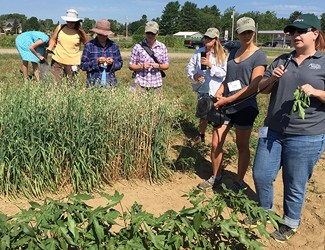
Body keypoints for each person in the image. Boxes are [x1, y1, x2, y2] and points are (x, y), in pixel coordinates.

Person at [252, 13, 325, 242]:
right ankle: (264, 211)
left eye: (300, 31)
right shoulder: (281, 60)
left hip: (306, 135)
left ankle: (290, 223)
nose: (295, 36)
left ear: (315, 33)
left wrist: (316, 92)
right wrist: (271, 79)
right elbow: (262, 90)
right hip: (272, 130)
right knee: (261, 175)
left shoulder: (323, 62)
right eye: (292, 32)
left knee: (294, 182)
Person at [198, 17, 267, 192]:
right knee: (215, 143)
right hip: (226, 105)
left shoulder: (259, 55)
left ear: (254, 32)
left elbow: (254, 86)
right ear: (237, 33)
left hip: (245, 106)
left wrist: (228, 99)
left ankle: (238, 182)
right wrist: (218, 94)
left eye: (250, 32)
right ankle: (216, 177)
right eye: (243, 32)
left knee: (242, 146)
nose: (247, 35)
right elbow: (227, 80)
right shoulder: (234, 51)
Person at [186, 28, 227, 142]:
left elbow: (223, 73)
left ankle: (216, 138)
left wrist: (210, 65)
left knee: (215, 114)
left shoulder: (221, 53)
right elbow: (189, 67)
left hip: (216, 89)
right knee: (202, 113)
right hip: (203, 88)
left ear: (216, 40)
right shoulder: (199, 52)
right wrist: (195, 76)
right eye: (206, 37)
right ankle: (201, 137)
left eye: (210, 38)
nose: (207, 40)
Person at [47, 9, 88, 83]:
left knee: (72, 87)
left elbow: (87, 45)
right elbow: (53, 39)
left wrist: (86, 58)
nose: (70, 23)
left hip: (73, 63)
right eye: (68, 21)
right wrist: (50, 47)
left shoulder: (80, 32)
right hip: (57, 61)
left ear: (77, 21)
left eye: (72, 22)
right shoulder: (60, 27)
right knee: (54, 85)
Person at [128, 21, 169, 94]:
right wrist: (141, 67)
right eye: (148, 33)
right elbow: (131, 66)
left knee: (156, 105)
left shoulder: (162, 47)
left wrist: (159, 66)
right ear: (145, 33)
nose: (150, 35)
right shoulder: (137, 47)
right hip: (140, 83)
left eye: (152, 33)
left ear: (157, 34)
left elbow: (166, 65)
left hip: (157, 84)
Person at [80, 19, 123, 88]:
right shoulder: (89, 45)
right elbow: (82, 65)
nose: (103, 36)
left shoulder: (114, 46)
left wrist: (112, 63)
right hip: (93, 84)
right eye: (100, 34)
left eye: (105, 34)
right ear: (96, 33)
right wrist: (96, 62)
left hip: (110, 84)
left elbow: (120, 63)